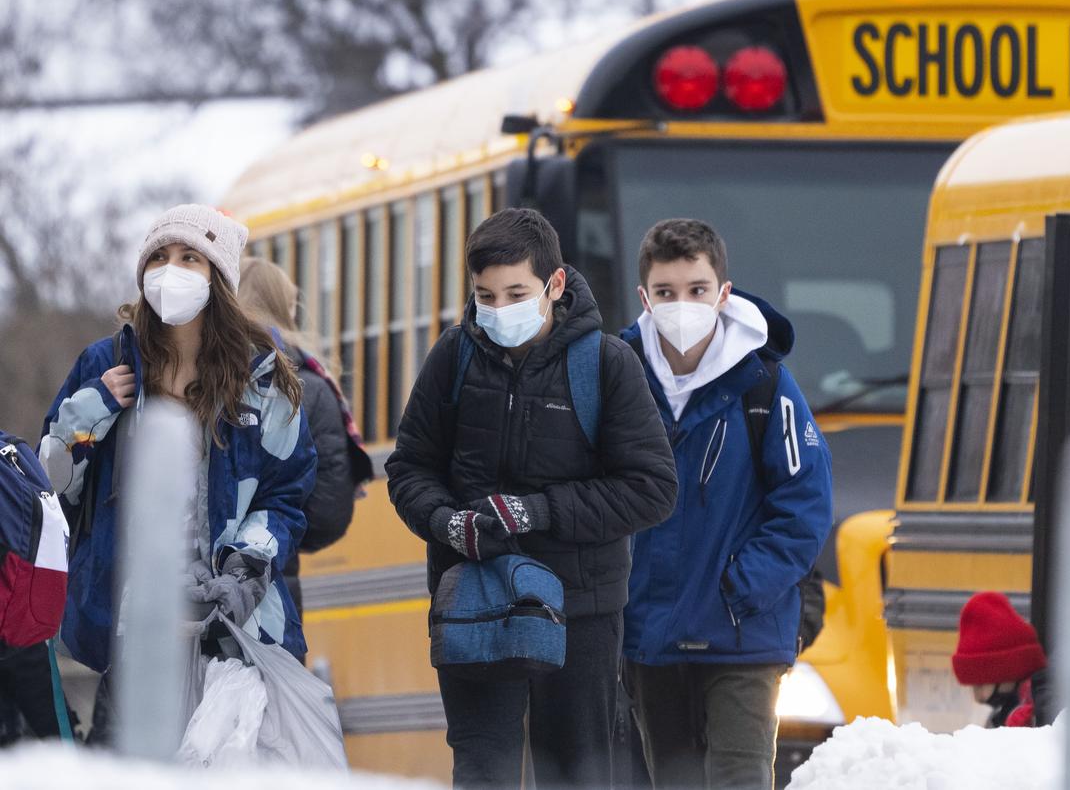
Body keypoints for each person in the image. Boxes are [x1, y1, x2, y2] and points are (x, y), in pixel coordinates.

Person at [387, 207, 677, 789]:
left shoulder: (606, 365)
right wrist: (446, 523)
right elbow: (409, 468)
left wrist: (536, 512)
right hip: (474, 599)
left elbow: (652, 488)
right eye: (484, 296)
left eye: (515, 293)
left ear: (555, 284)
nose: (497, 311)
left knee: (576, 772)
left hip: (580, 609)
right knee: (481, 769)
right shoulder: (454, 358)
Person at [38, 204, 316, 740]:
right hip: (130, 621)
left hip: (235, 627)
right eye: (160, 257)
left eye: (191, 258)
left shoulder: (261, 378)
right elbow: (52, 484)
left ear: (219, 277)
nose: (172, 270)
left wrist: (246, 566)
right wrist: (90, 411)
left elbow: (287, 495)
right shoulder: (105, 363)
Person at [620, 218, 834, 790]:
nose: (681, 305)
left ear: (723, 294)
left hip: (742, 635)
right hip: (651, 634)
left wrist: (740, 588)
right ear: (645, 298)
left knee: (739, 779)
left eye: (696, 290)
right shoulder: (617, 381)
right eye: (665, 293)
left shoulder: (766, 386)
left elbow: (804, 505)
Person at [238, 257, 374, 618]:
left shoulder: (186, 375)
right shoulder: (310, 388)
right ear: (287, 307)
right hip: (271, 587)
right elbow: (328, 512)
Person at [952, 591, 1054, 728]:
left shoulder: (1048, 704)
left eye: (980, 685)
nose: (977, 697)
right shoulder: (1006, 712)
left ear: (1009, 671)